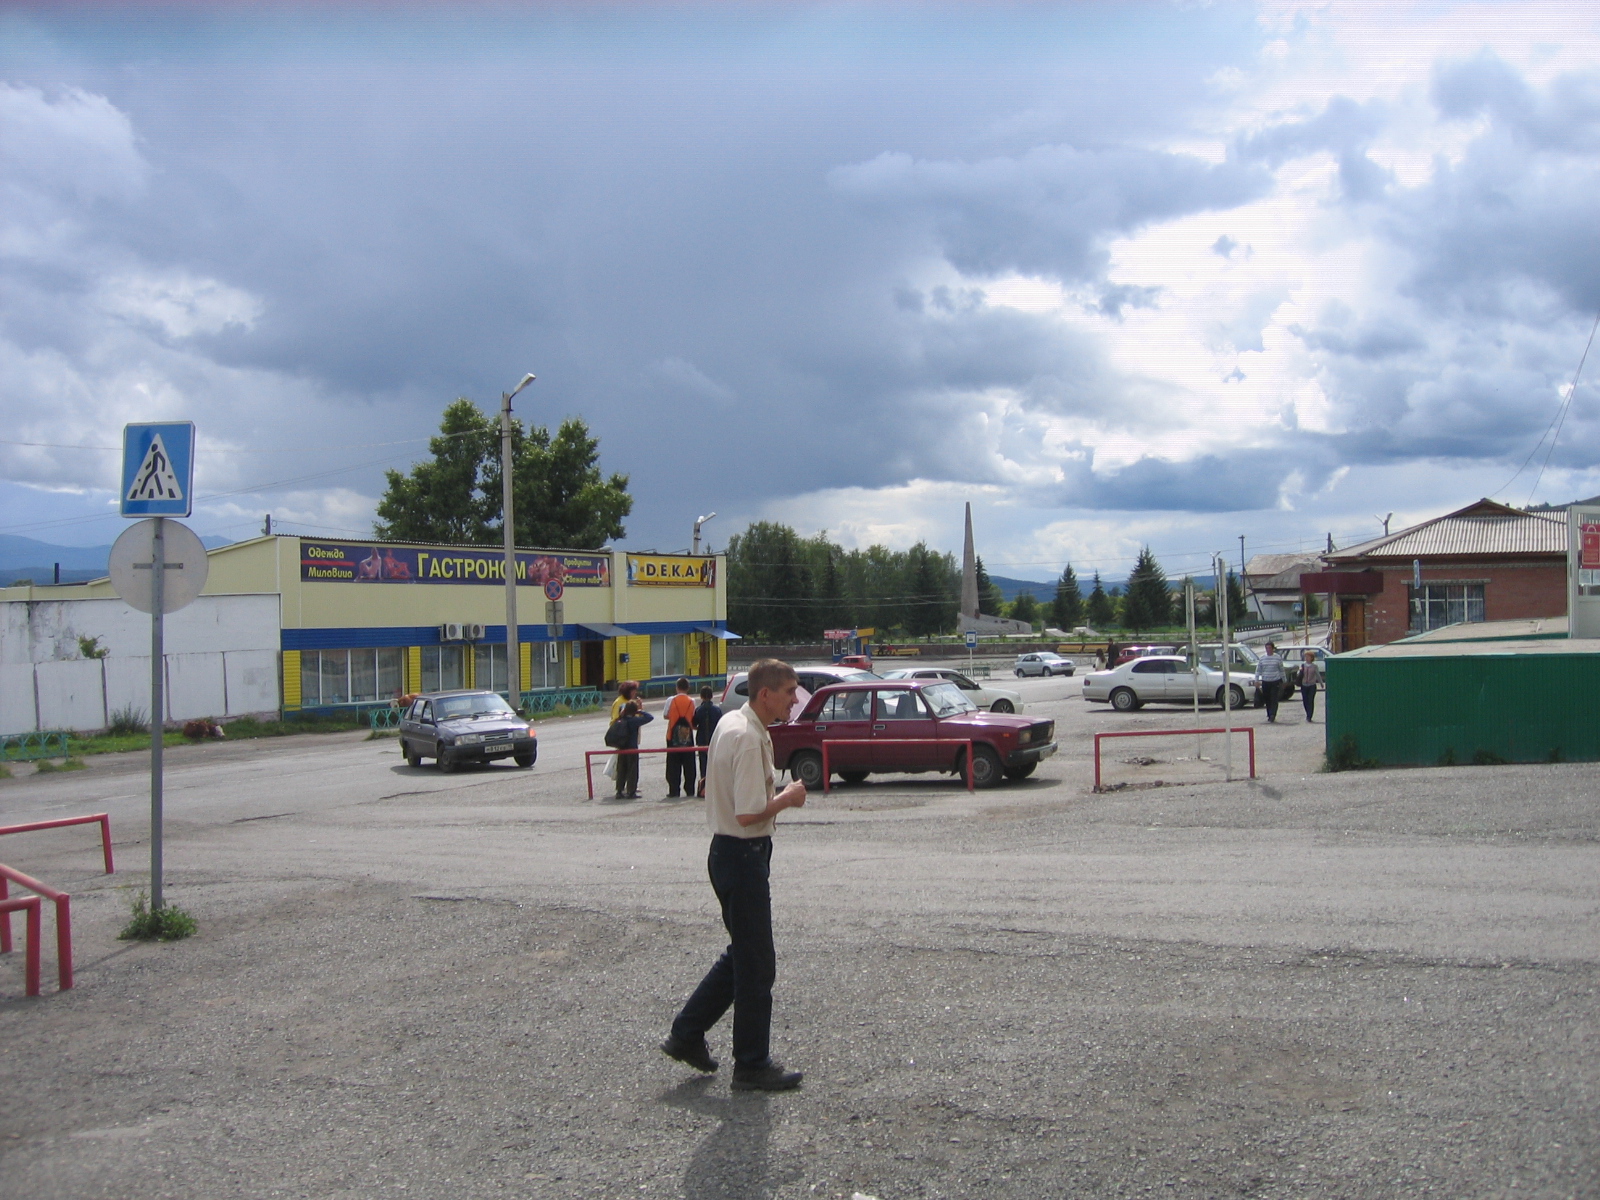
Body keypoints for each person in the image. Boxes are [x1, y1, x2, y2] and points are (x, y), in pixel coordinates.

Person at [661, 658, 807, 1091]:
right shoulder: (746, 737)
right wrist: (788, 797)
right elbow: (747, 813)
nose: (795, 699)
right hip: (741, 854)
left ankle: (687, 1034)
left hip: (728, 854)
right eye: (789, 692)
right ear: (765, 694)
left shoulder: (733, 722)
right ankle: (751, 1064)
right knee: (758, 964)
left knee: (743, 955)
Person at [663, 676, 698, 799]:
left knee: (673, 764)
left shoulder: (671, 700)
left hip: (672, 734)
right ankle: (689, 789)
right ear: (688, 688)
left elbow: (666, 715)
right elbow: (693, 716)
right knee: (689, 764)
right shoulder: (691, 701)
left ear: (677, 687)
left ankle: (674, 789)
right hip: (687, 734)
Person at [614, 699, 653, 799]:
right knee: (632, 770)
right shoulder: (634, 721)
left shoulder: (621, 719)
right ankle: (631, 791)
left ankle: (619, 790)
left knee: (621, 769)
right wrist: (640, 711)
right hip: (632, 748)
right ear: (634, 711)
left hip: (622, 747)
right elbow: (650, 717)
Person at [693, 684, 722, 799]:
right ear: (712, 696)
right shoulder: (717, 710)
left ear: (701, 696)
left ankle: (704, 787)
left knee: (703, 764)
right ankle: (715, 787)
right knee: (715, 763)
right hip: (714, 739)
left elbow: (694, 724)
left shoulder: (699, 710)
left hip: (702, 740)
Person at [1257, 642, 1285, 723]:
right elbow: (1258, 670)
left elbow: (1281, 670)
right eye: (1267, 648)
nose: (1268, 650)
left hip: (1275, 680)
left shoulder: (1277, 658)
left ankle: (1273, 714)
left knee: (1274, 698)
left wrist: (1284, 680)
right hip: (1266, 681)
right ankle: (1269, 713)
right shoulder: (1262, 658)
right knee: (1267, 699)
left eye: (1270, 648)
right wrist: (1257, 680)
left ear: (1273, 648)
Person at [1299, 650, 1323, 722]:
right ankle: (1307, 712)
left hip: (1312, 685)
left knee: (1310, 700)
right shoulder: (1303, 665)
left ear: (1312, 658)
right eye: (1305, 656)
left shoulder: (1314, 666)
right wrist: (1300, 671)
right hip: (1304, 685)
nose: (1306, 658)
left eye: (1308, 657)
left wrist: (1321, 683)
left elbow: (1318, 675)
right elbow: (1299, 674)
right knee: (1305, 700)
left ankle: (1309, 716)